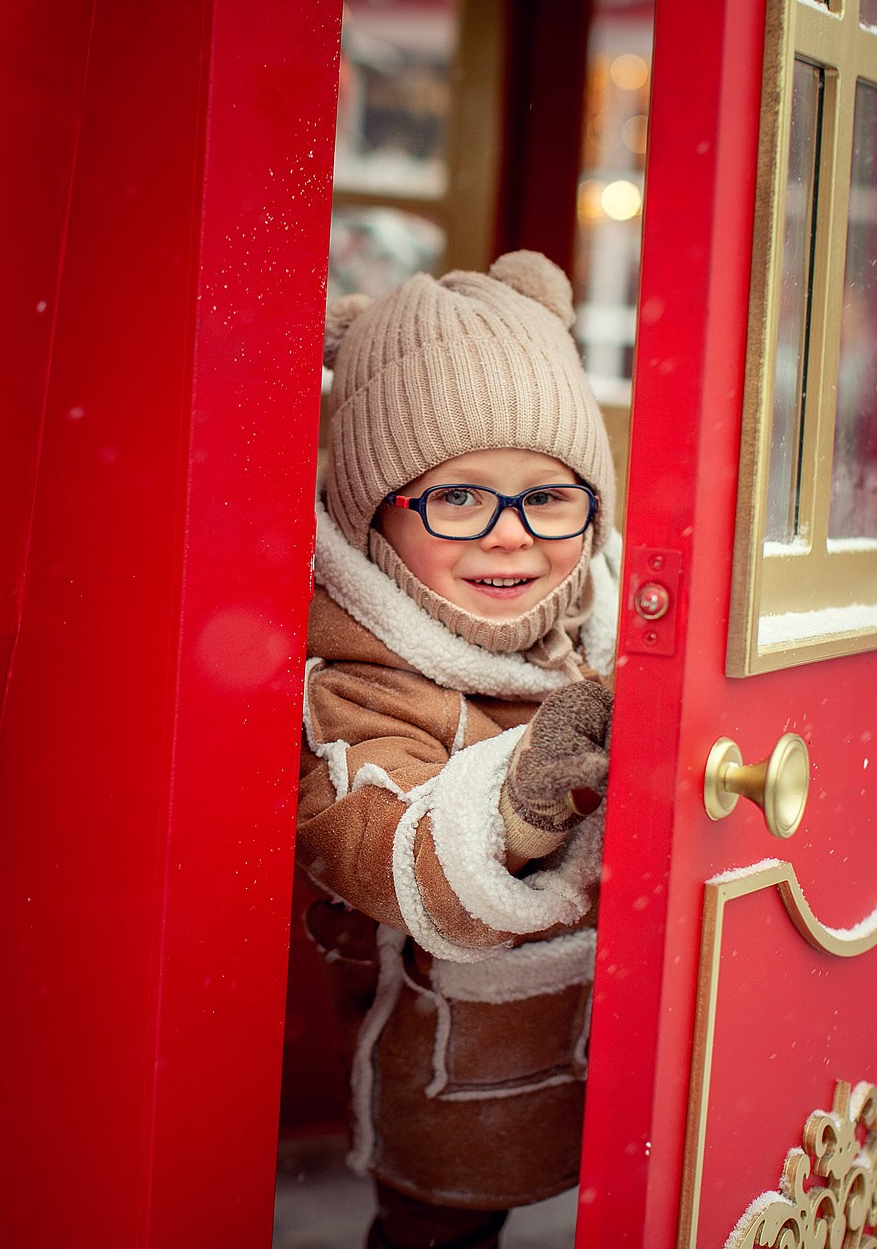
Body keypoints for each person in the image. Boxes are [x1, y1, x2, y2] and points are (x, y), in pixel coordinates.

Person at [298, 250, 620, 1249]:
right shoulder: (364, 675)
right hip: (467, 1056)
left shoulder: (609, 629)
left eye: (549, 496)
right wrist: (512, 804)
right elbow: (362, 836)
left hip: (618, 1061)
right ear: (376, 518)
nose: (510, 537)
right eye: (457, 498)